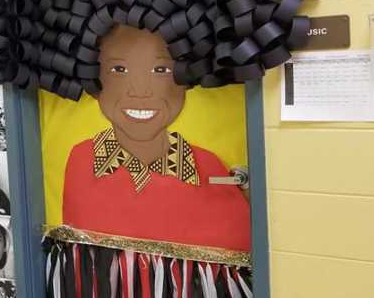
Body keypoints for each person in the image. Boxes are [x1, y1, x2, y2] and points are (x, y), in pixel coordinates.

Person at [62, 25, 250, 250]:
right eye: (119, 69)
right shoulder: (83, 159)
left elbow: (240, 245)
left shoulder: (208, 166)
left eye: (160, 70)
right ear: (94, 81)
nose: (140, 91)